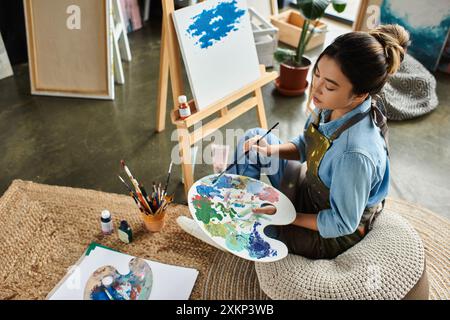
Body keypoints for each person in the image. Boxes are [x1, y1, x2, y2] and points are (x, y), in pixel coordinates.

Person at [178, 24, 409, 260]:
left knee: (261, 230)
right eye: (317, 73)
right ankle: (225, 215)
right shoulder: (330, 107)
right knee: (254, 139)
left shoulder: (355, 154)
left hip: (329, 234)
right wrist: (269, 149)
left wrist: (287, 215)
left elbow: (343, 223)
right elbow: (306, 145)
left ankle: (230, 231)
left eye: (329, 86)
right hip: (312, 194)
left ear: (360, 94)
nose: (315, 88)